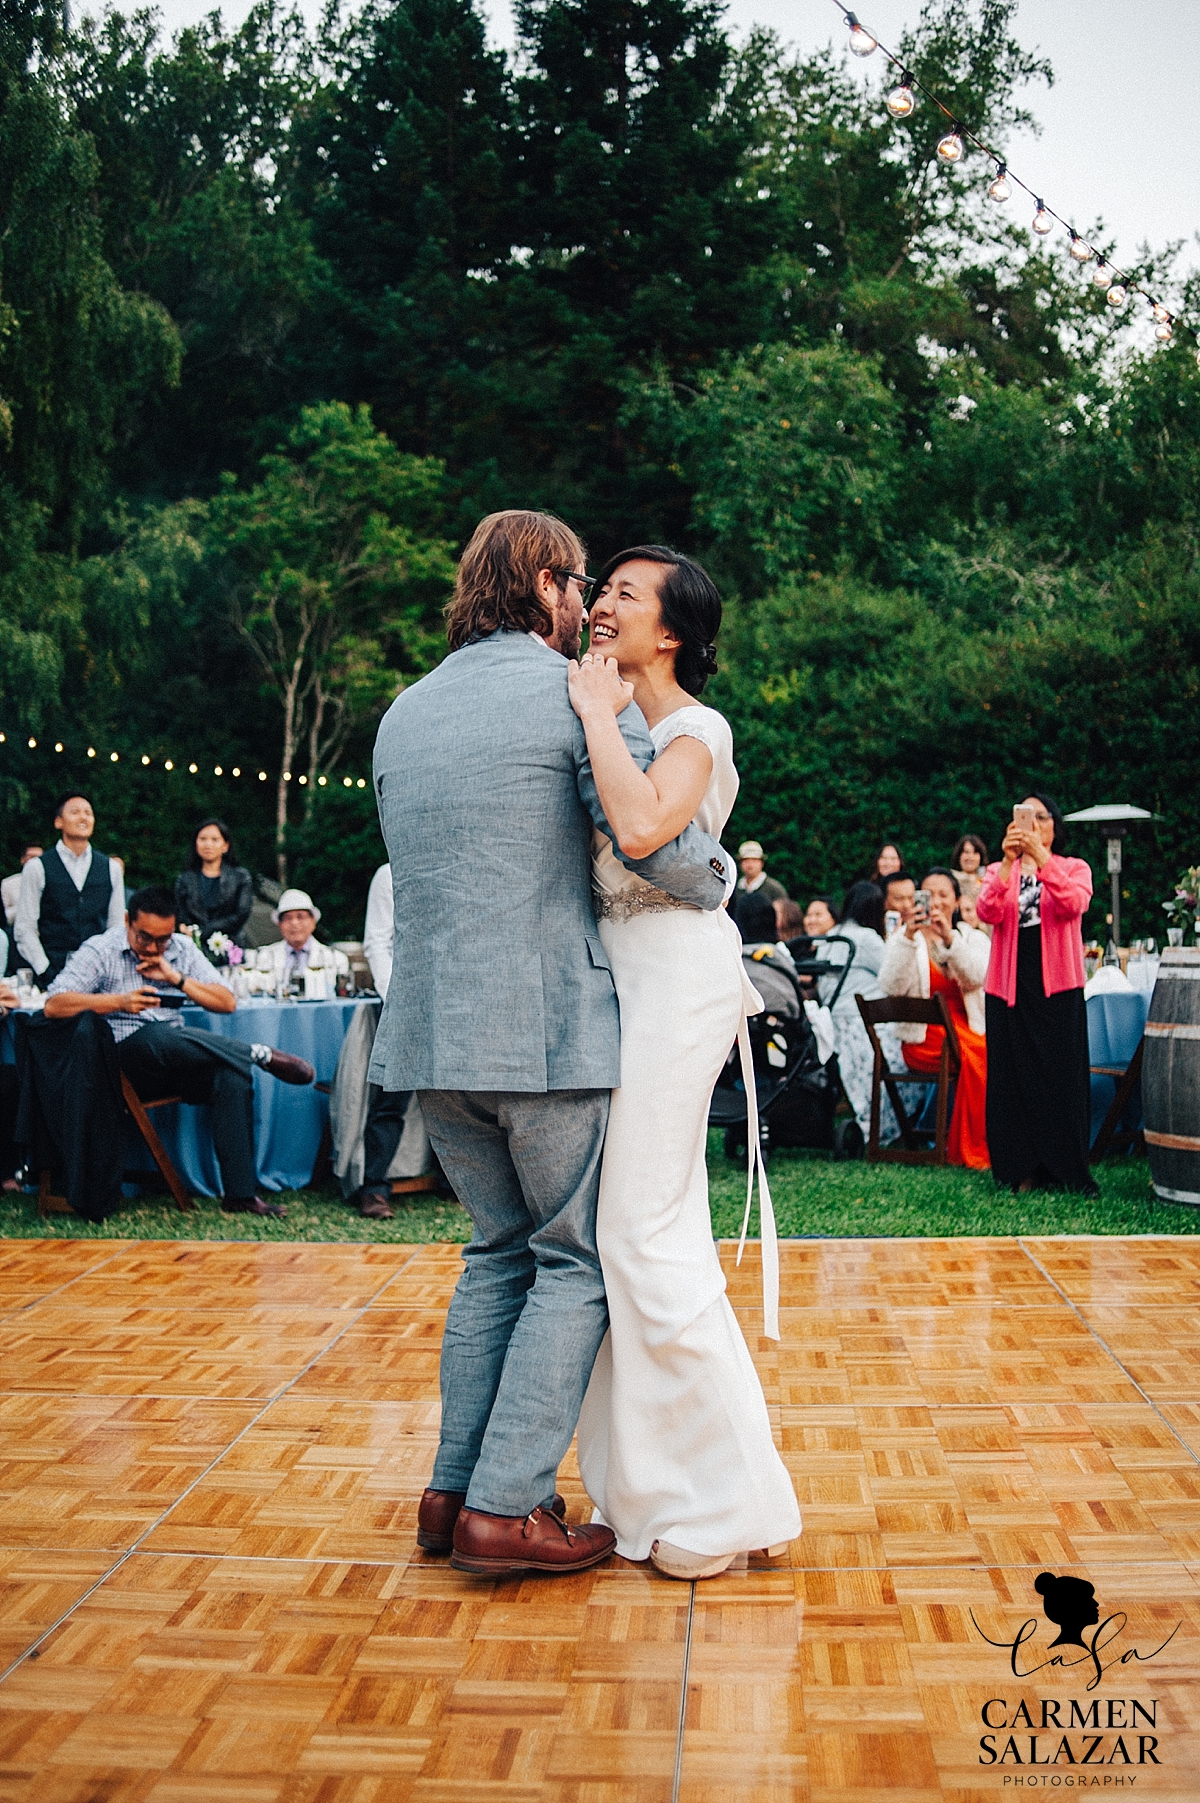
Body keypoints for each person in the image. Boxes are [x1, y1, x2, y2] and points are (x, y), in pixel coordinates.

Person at [371, 508, 730, 1580]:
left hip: (433, 1033)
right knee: (572, 1261)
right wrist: (721, 885)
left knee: (493, 1253)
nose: (591, 606)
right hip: (545, 1035)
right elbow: (661, 850)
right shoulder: (577, 698)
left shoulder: (403, 713)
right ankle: (506, 1508)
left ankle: (449, 1494)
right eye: (581, 583)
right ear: (543, 587)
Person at [568, 542, 801, 1582]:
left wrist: (589, 713)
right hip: (613, 984)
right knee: (627, 1237)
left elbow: (645, 822)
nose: (602, 603)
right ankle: (645, 1495)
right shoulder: (603, 717)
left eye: (625, 594)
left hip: (674, 983)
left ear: (671, 632)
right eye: (601, 589)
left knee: (641, 1231)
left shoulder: (695, 728)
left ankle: (725, 1498)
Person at [43, 885, 316, 1216]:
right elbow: (54, 1004)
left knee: (230, 1076)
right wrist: (118, 1002)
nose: (154, 947)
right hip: (121, 1069)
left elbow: (226, 1001)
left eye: (163, 940)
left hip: (174, 1058)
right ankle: (255, 1052)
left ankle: (241, 1195)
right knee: (155, 1036)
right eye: (145, 938)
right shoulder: (101, 951)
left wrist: (175, 977)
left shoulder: (181, 950)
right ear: (128, 921)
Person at [977, 793, 1095, 1194]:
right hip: (1008, 986)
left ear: (1053, 827)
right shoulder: (998, 869)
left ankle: (1065, 1169)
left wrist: (1041, 862)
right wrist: (1010, 862)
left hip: (1058, 986)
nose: (1031, 825)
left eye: (1039, 817)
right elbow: (987, 912)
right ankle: (1019, 1170)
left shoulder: (1074, 867)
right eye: (1024, 818)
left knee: (1060, 1078)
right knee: (1012, 1079)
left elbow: (1073, 903)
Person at [879, 867, 991, 1168]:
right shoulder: (903, 938)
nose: (937, 901)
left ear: (957, 901)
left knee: (984, 1052)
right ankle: (973, 1150)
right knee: (982, 1055)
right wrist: (909, 936)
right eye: (930, 894)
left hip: (966, 1031)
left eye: (944, 895)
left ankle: (975, 1143)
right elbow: (890, 986)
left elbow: (979, 977)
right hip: (925, 1039)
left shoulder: (971, 937)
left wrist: (949, 941)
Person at [353, 862, 412, 1220]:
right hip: (400, 998)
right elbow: (377, 941)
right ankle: (374, 1188)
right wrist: (398, 1000)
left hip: (454, 996)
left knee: (462, 1096)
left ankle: (453, 1184)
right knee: (391, 1099)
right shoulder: (389, 873)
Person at [15, 794, 124, 984]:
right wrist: (44, 968)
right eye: (75, 812)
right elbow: (25, 928)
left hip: (99, 974)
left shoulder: (111, 868)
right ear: (59, 822)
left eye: (88, 813)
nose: (83, 817)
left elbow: (116, 927)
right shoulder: (37, 867)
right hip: (52, 969)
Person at [173, 819, 254, 949]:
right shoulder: (185, 879)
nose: (208, 844)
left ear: (225, 845)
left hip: (231, 947)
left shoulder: (240, 877)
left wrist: (206, 930)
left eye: (215, 839)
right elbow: (180, 913)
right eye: (203, 839)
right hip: (193, 946)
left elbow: (241, 913)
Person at [254, 889, 351, 987]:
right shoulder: (264, 957)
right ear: (280, 924)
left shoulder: (336, 958)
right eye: (288, 918)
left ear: (313, 922)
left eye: (300, 917)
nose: (294, 923)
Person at [952, 833, 989, 930]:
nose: (970, 857)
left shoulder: (988, 880)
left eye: (975, 853)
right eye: (966, 852)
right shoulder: (951, 880)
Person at [2, 844, 42, 930]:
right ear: (23, 859)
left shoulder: (54, 882)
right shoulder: (8, 884)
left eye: (40, 858)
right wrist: (23, 907)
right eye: (32, 857)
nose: (36, 861)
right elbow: (3, 917)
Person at [735, 841, 787, 905]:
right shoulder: (736, 888)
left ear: (762, 863)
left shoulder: (774, 889)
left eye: (754, 860)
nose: (750, 864)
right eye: (746, 860)